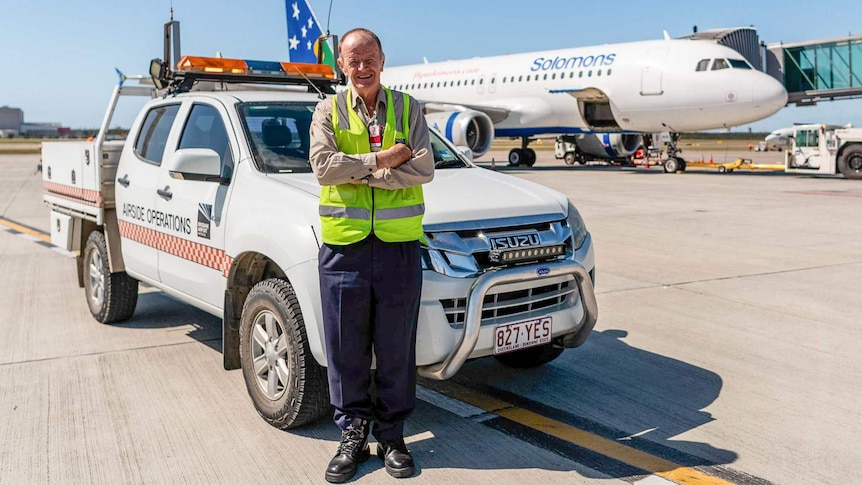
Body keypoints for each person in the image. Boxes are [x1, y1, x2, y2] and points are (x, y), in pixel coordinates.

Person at [309, 27, 434, 483]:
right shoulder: (328, 109)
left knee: (397, 347)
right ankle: (352, 436)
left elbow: (422, 168)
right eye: (353, 61)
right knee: (346, 349)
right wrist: (382, 161)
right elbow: (323, 167)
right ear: (341, 65)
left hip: (398, 247)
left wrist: (357, 170)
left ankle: (393, 437)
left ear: (382, 59)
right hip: (345, 249)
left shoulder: (408, 107)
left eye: (369, 59)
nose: (362, 68)